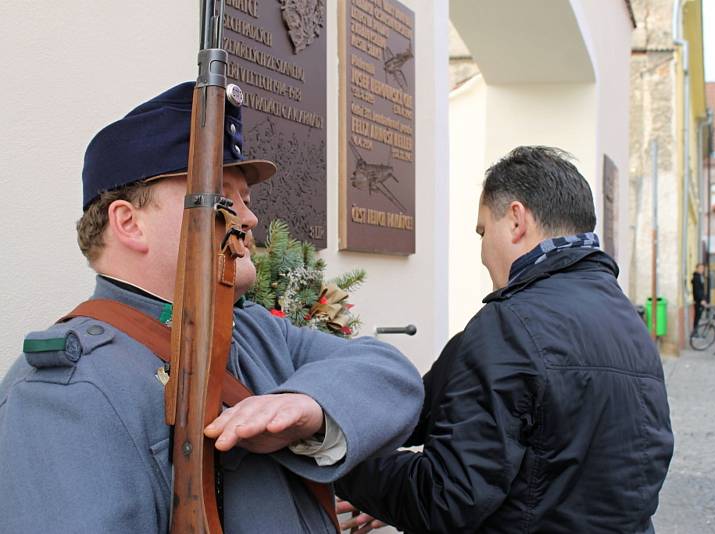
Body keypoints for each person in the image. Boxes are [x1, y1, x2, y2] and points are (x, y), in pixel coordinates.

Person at [0, 82, 423, 533]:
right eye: (220, 198)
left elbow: (391, 374)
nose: (249, 218)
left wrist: (312, 407)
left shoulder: (255, 331)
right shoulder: (64, 390)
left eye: (246, 199)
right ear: (129, 223)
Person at [334, 146, 674, 533]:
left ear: (516, 220)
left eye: (482, 231)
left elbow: (446, 498)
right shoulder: (628, 322)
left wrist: (336, 455)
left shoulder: (509, 326)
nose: (481, 252)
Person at [691, 263, 708, 335]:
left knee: (698, 317)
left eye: (703, 269)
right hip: (698, 301)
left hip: (700, 300)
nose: (702, 270)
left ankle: (696, 331)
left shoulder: (700, 277)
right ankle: (695, 332)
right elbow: (697, 290)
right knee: (697, 317)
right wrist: (702, 300)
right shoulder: (697, 277)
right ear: (697, 268)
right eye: (700, 268)